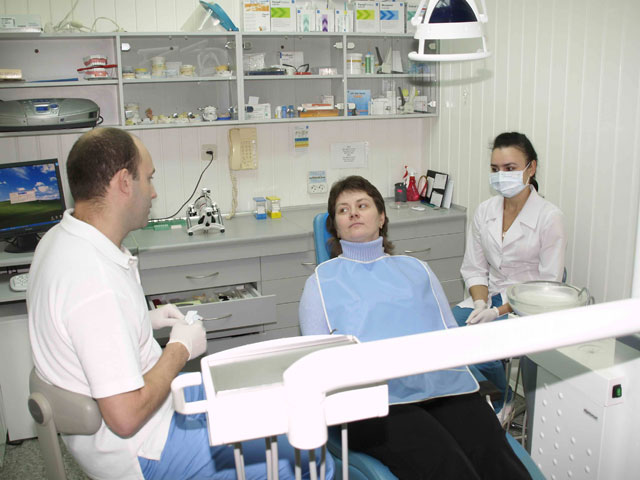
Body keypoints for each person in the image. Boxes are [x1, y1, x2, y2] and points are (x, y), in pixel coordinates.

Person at [28, 127, 333, 480]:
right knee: (308, 456)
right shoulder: (94, 280)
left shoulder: (61, 240)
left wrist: (143, 319)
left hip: (135, 417)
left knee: (256, 393)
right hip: (142, 446)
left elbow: (82, 328)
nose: (153, 192)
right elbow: (125, 417)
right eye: (148, 178)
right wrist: (179, 350)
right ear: (124, 182)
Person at [299, 175, 531, 479]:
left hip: (437, 385)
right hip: (373, 401)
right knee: (445, 460)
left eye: (362, 205)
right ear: (336, 227)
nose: (353, 213)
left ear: (381, 218)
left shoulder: (417, 270)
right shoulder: (320, 283)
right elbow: (316, 364)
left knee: (490, 446)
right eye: (343, 210)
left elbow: (449, 336)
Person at [452, 132, 567, 414]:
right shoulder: (485, 211)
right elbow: (474, 268)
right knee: (446, 330)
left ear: (531, 168)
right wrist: (481, 304)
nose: (501, 176)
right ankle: (474, 400)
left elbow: (547, 287)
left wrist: (498, 311)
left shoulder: (549, 217)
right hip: (490, 295)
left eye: (510, 168)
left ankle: (502, 400)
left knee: (482, 344)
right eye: (495, 169)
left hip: (527, 308)